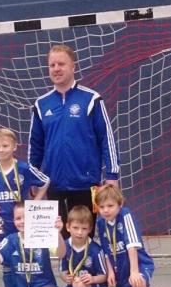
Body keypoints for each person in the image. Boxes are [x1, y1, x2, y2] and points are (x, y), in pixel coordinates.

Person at [28, 44, 120, 237]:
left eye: (61, 64)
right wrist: (32, 178)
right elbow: (35, 146)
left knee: (84, 235)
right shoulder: (41, 104)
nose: (56, 69)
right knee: (60, 238)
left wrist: (112, 175)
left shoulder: (91, 99)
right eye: (52, 65)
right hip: (52, 184)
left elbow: (107, 139)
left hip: (87, 183)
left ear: (73, 67)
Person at [0, 128, 50, 287]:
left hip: (23, 223)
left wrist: (35, 202)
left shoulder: (24, 168)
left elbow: (45, 181)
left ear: (14, 146)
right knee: (7, 264)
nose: (1, 150)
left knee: (28, 260)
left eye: (5, 145)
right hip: (3, 224)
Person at [0, 202, 65, 287]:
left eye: (26, 218)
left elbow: (61, 254)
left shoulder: (43, 235)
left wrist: (58, 234)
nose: (22, 221)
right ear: (13, 221)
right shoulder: (11, 240)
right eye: (18, 218)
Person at [57, 206, 108, 287]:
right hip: (73, 285)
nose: (79, 232)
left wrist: (92, 279)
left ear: (90, 229)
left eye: (84, 228)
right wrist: (66, 278)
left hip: (94, 286)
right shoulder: (64, 246)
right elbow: (62, 271)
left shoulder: (96, 250)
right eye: (75, 228)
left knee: (80, 284)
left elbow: (104, 276)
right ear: (68, 227)